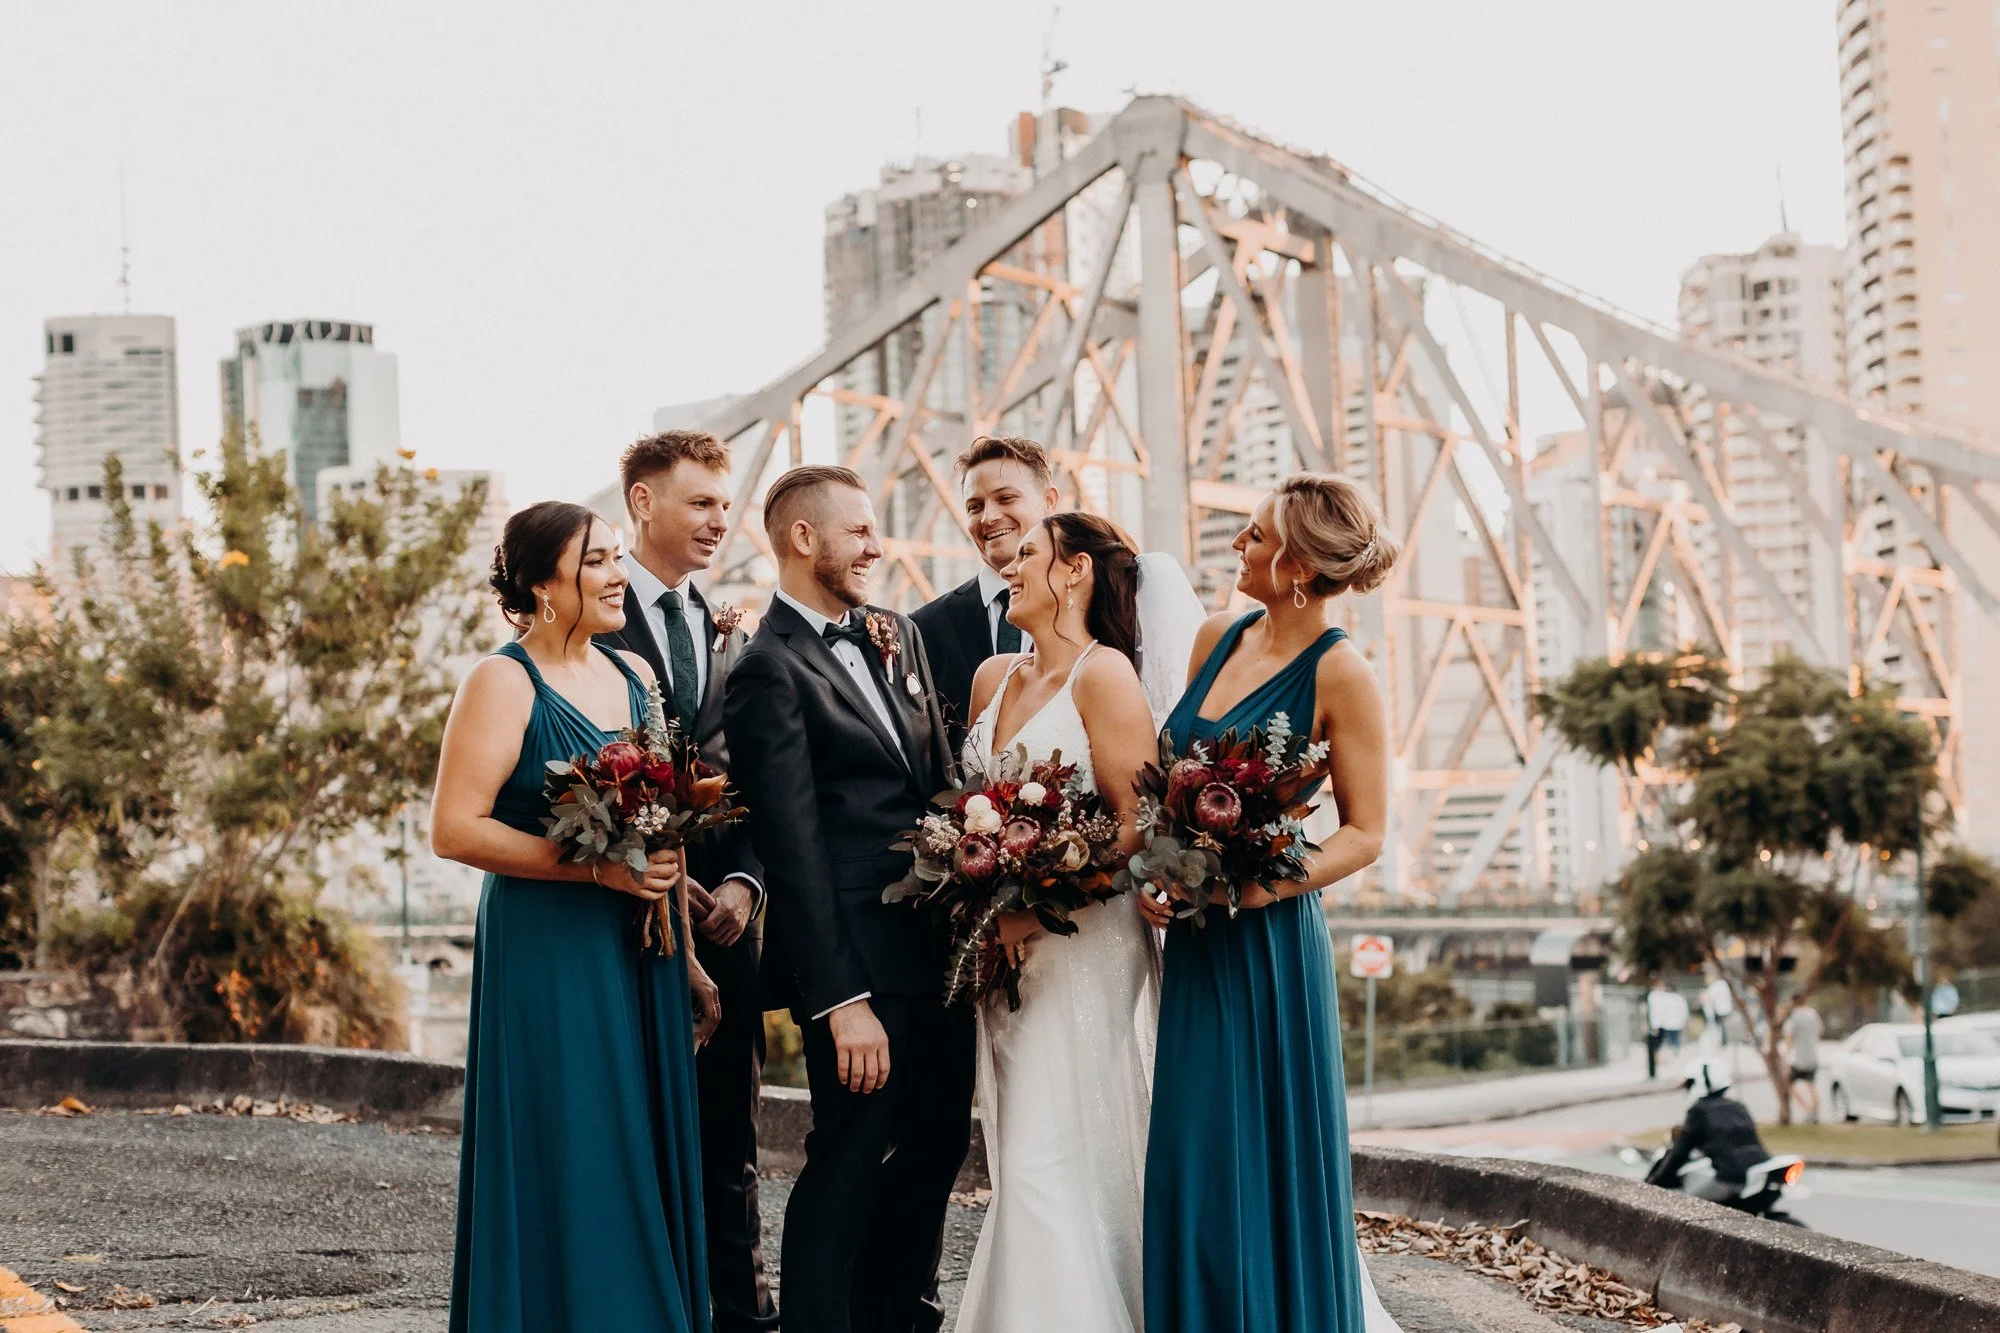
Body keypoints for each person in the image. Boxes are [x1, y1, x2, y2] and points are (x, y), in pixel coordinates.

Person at [433, 501, 720, 1333]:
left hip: (642, 948)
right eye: (596, 560)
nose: (619, 574)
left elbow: (662, 826)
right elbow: (455, 828)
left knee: (639, 1145)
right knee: (578, 1142)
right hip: (550, 951)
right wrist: (594, 869)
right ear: (541, 585)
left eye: (618, 557)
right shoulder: (501, 681)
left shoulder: (634, 678)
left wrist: (688, 958)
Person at [1137, 474, 1403, 1333]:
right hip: (1197, 941)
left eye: (1254, 535)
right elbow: (1173, 783)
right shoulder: (1215, 636)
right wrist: (1162, 872)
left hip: (1268, 944)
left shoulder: (1342, 672)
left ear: (1297, 566)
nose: (1237, 546)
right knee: (1194, 1158)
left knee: (1262, 1155)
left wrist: (1252, 887)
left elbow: (1365, 832)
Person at [721, 466, 969, 1333]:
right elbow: (792, 851)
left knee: (939, 1143)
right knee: (851, 1154)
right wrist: (841, 1000)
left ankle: (896, 1317)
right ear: (803, 538)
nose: (875, 546)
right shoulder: (765, 670)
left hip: (937, 949)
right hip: (858, 964)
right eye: (859, 530)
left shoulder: (900, 633)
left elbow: (940, 785)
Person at [954, 513, 1162, 1333]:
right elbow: (969, 808)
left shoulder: (1103, 673)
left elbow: (1137, 822)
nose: (1010, 565)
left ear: (1074, 570)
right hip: (999, 949)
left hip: (1085, 942)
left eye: (1028, 554)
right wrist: (980, 905)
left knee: (1046, 1150)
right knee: (1029, 1152)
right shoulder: (992, 676)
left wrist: (1035, 911)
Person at [594, 430, 775, 1333]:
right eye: (700, 502)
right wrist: (650, 870)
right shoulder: (589, 613)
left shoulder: (731, 626)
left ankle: (744, 1312)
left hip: (728, 921)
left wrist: (744, 878)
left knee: (730, 1129)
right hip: (623, 915)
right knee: (628, 1127)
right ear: (643, 502)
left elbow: (760, 772)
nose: (719, 520)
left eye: (723, 504)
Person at [913, 436, 1207, 749]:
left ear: (1049, 500)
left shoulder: (1121, 612)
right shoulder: (922, 629)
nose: (988, 517)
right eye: (975, 507)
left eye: (1006, 498)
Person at [1646, 1059, 1770, 1203]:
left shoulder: (1699, 1111)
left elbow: (1680, 1152)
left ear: (1700, 1083)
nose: (1688, 1090)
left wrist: (1653, 1183)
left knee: (1684, 1205)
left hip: (1731, 1177)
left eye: (1689, 1085)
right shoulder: (1738, 1106)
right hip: (1759, 1170)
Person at [1781, 1001, 1823, 1124]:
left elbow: (1789, 1039)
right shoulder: (1813, 1014)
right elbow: (1819, 1032)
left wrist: (1785, 1056)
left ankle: (1808, 1110)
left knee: (1788, 1085)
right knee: (1811, 1086)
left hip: (1798, 1059)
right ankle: (1814, 1113)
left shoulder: (1793, 1017)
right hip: (1812, 1057)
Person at [1646, 978, 1689, 1079]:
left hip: (1665, 1023)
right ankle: (1672, 1059)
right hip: (1668, 1023)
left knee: (1665, 1043)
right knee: (1670, 1043)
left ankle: (1669, 1060)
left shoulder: (1661, 997)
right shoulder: (1659, 997)